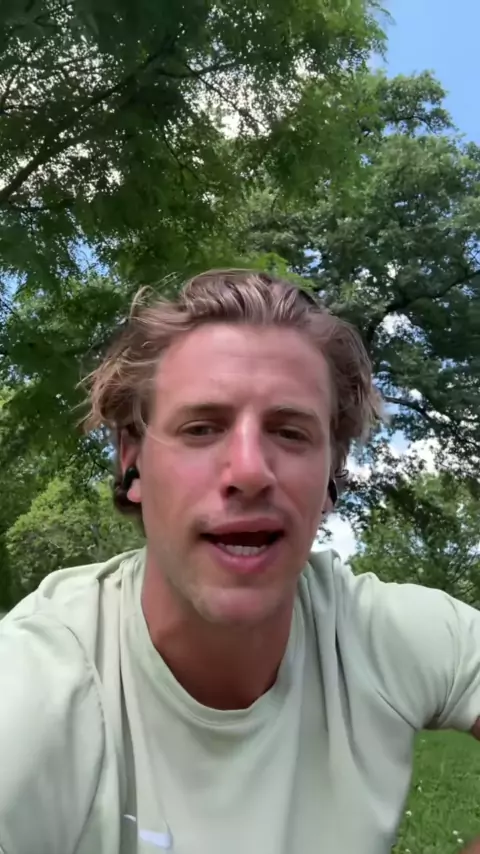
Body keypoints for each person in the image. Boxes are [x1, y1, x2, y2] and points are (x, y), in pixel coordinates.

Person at [0, 269, 479, 854]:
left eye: (290, 432)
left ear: (332, 471)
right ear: (132, 460)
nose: (250, 471)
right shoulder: (35, 684)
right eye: (201, 429)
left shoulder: (379, 635)